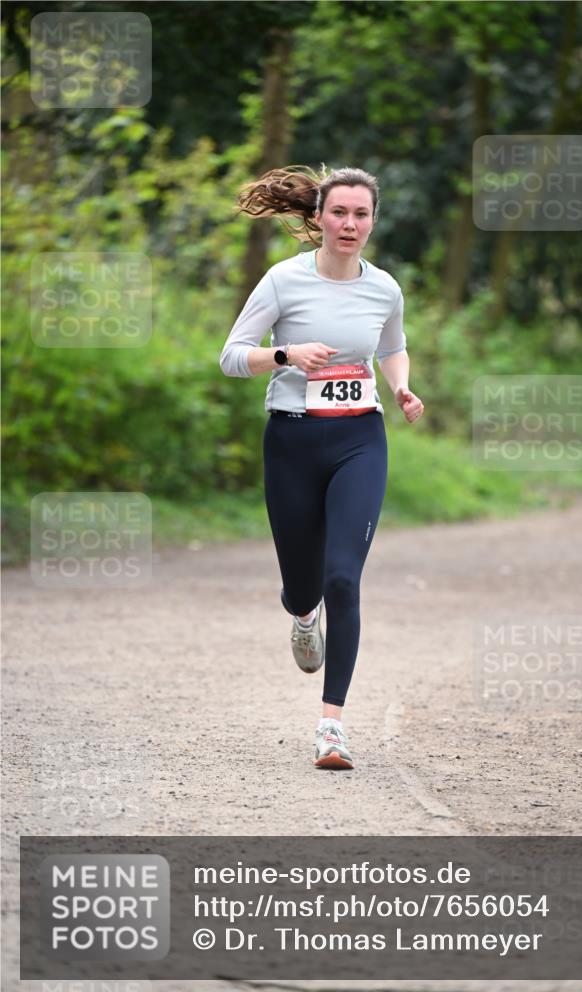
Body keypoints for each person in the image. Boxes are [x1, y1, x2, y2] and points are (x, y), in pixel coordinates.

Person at [220, 165, 424, 769]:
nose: (350, 224)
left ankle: (331, 726)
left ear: (372, 222)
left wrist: (403, 387)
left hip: (361, 439)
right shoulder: (284, 282)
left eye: (361, 215)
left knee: (344, 579)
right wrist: (285, 354)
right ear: (317, 218)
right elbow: (231, 357)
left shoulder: (384, 288)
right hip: (292, 440)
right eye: (340, 213)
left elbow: (391, 346)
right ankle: (302, 614)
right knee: (305, 586)